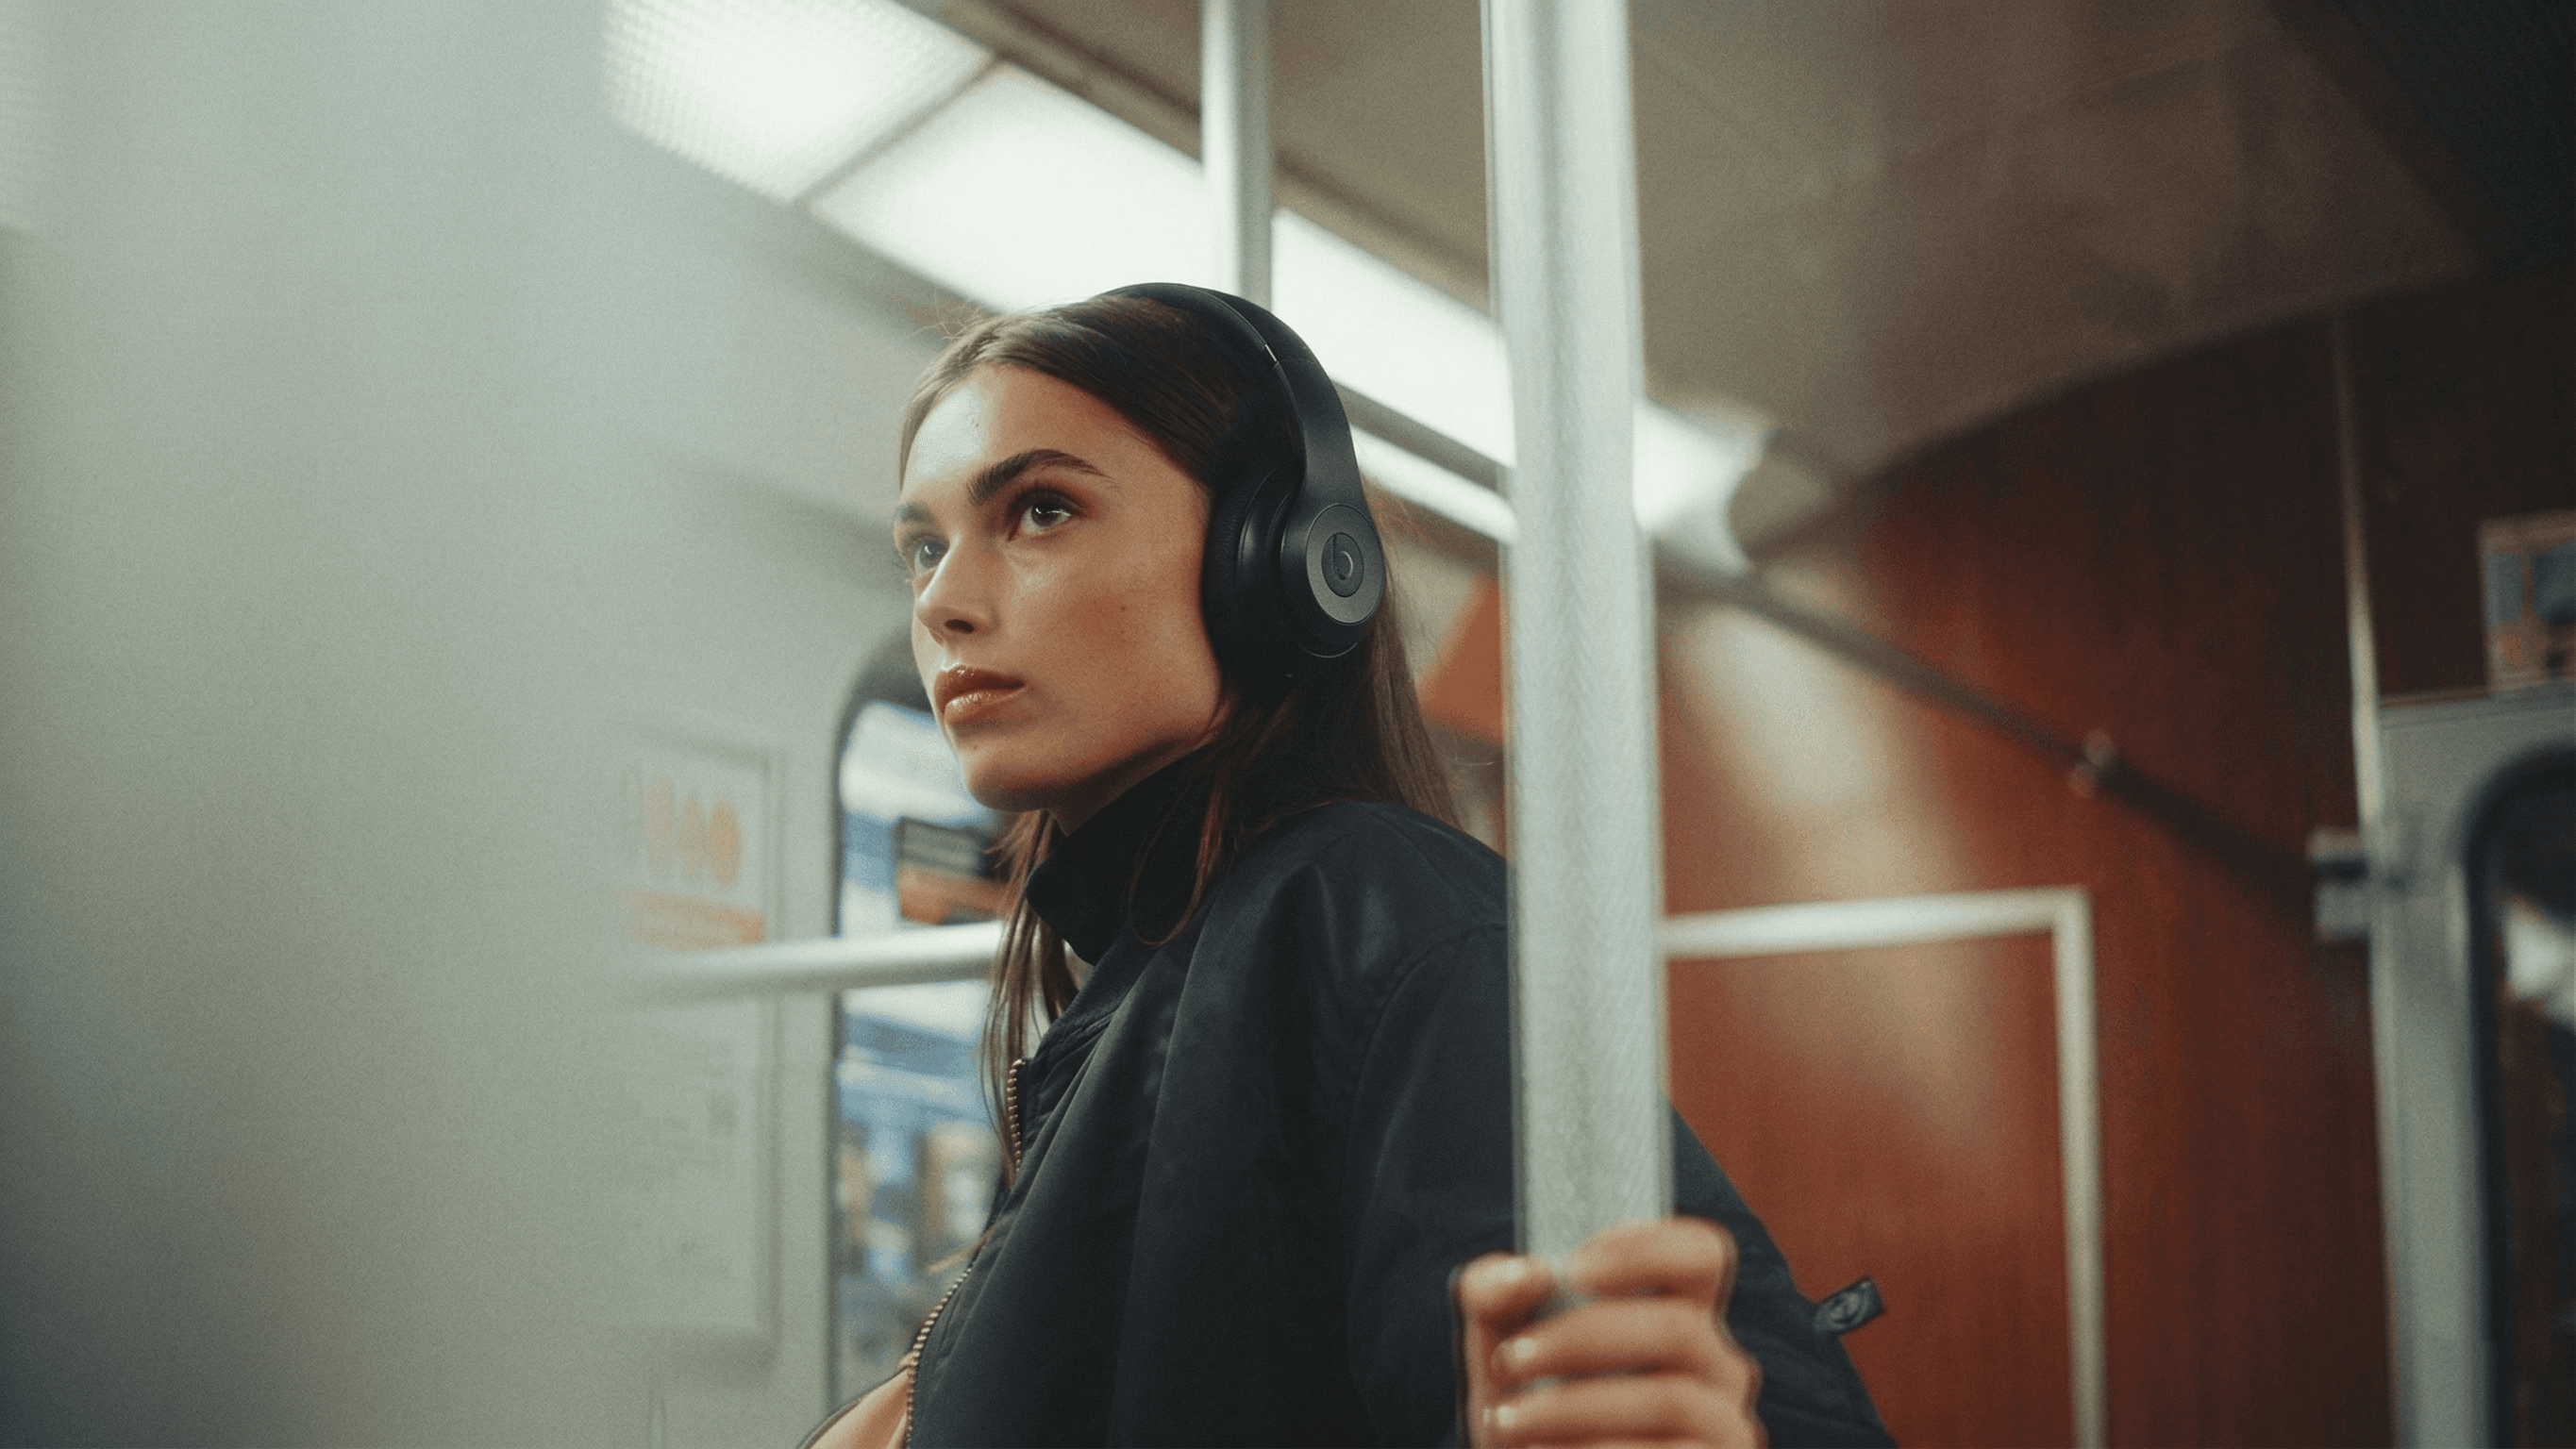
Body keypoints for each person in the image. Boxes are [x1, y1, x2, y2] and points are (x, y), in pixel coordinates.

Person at [803, 286, 1888, 1448]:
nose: (946, 603)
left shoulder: (1367, 921)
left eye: (1041, 510)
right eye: (923, 548)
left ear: (1273, 562)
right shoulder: (1135, 995)